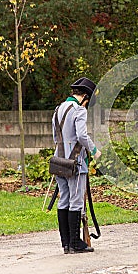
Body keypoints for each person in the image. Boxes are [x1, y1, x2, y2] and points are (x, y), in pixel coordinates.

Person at [52, 77, 101, 254]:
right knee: (76, 200)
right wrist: (95, 150)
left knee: (64, 198)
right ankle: (76, 243)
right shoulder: (79, 110)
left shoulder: (58, 109)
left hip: (59, 161)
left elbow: (55, 138)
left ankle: (66, 244)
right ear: (85, 97)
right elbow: (81, 135)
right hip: (76, 163)